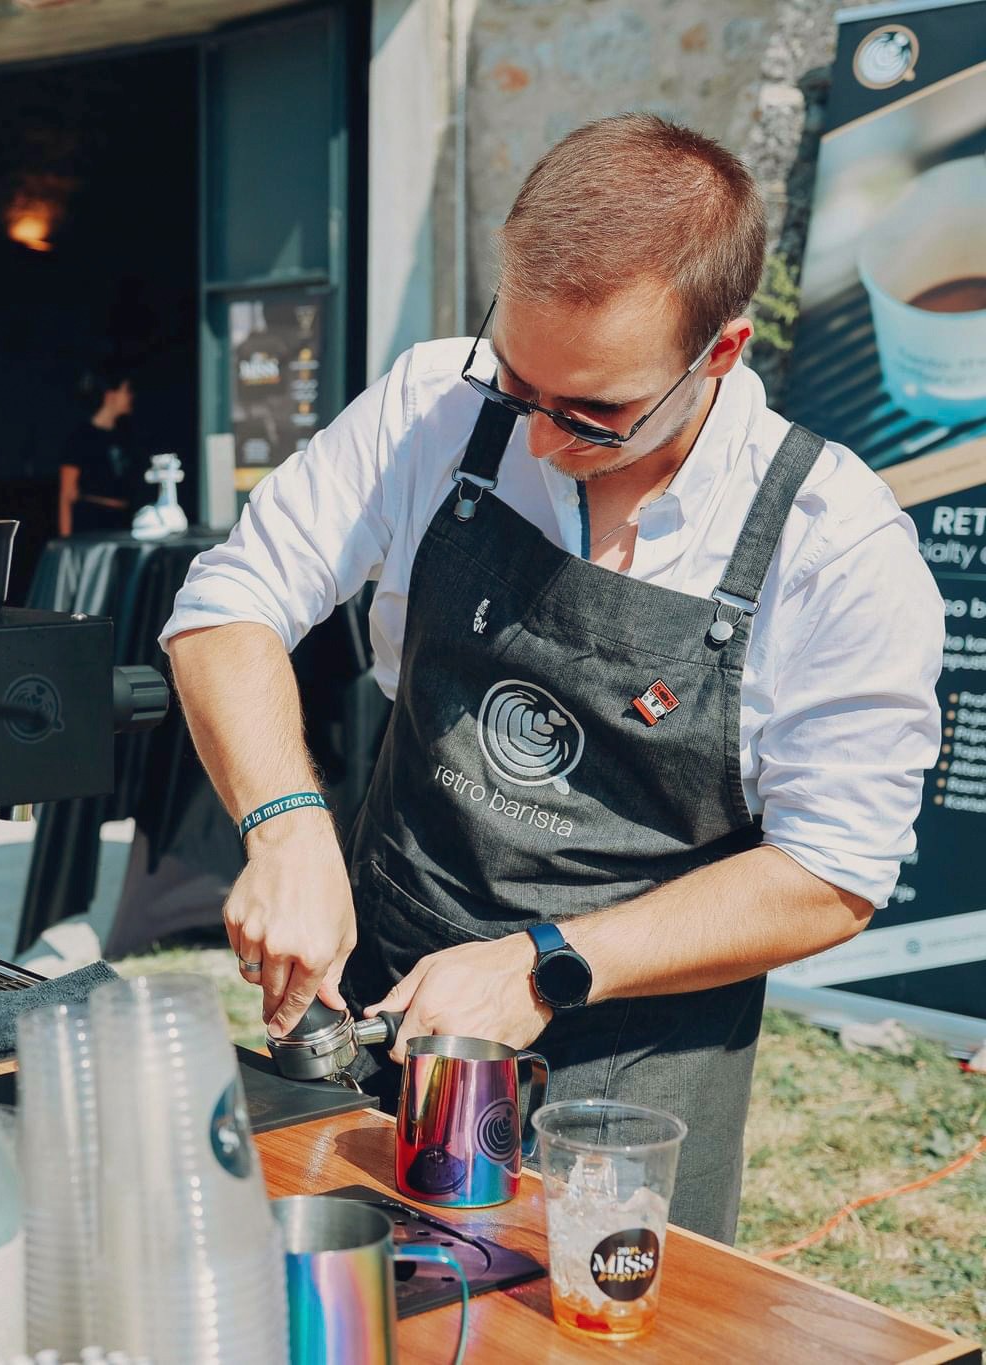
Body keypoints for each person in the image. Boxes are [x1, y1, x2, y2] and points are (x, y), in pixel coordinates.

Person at [161, 114, 941, 1243]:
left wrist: (542, 969)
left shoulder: (835, 548)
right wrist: (284, 829)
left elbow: (831, 871)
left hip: (629, 1085)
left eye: (594, 413)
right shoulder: (439, 400)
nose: (535, 437)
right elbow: (224, 608)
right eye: (520, 382)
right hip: (383, 1005)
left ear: (717, 353)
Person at [58, 367, 139, 536]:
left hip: (124, 523)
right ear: (110, 395)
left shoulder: (125, 434)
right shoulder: (80, 437)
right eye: (126, 391)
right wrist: (66, 543)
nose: (131, 396)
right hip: (93, 525)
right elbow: (66, 495)